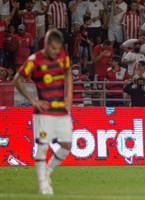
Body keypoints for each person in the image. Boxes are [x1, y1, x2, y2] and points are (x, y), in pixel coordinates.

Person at [13, 29, 73, 195]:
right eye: (52, 48)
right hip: (44, 112)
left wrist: (69, 96)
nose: (55, 52)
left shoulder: (63, 57)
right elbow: (16, 79)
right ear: (46, 45)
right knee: (42, 146)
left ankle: (48, 171)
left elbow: (68, 74)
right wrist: (33, 100)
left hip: (61, 109)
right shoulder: (34, 60)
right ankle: (43, 184)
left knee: (67, 145)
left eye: (57, 48)